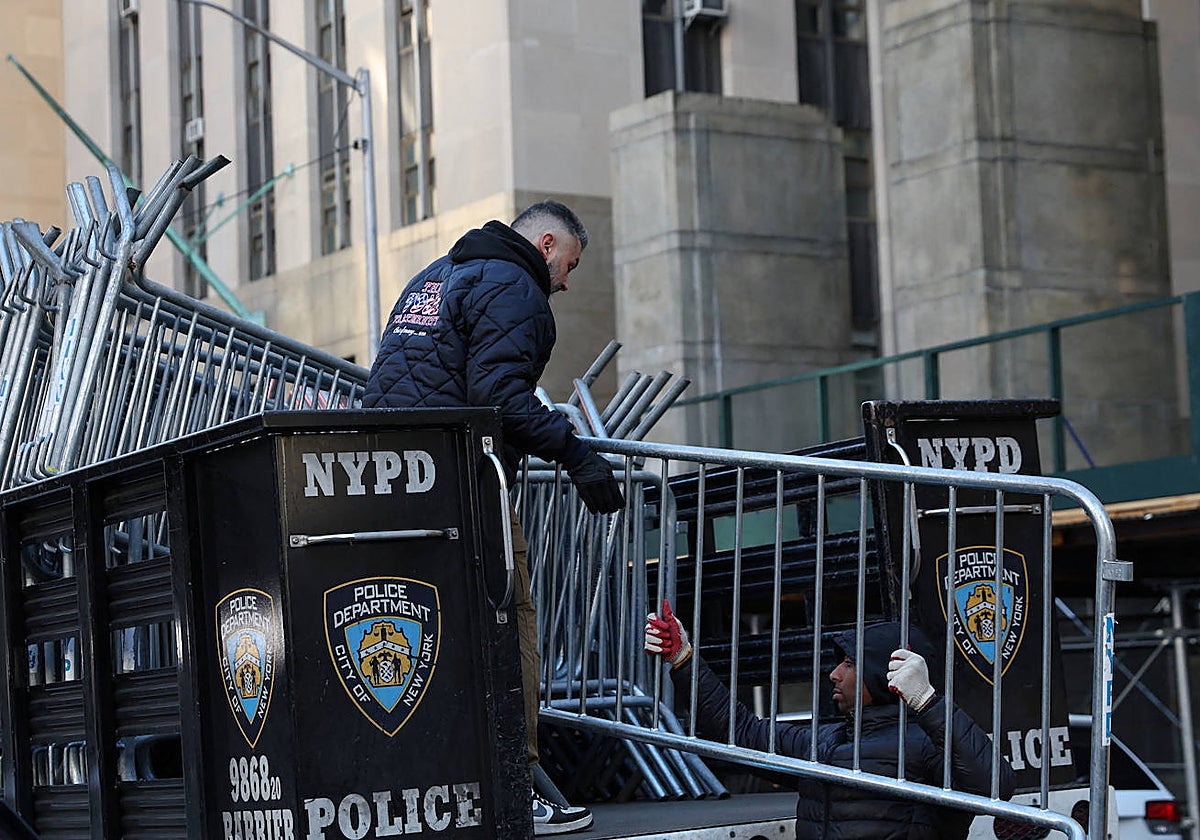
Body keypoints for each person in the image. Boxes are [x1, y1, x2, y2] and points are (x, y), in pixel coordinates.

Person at [364, 200, 623, 835]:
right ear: (545, 245)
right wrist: (577, 455)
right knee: (511, 619)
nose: (566, 282)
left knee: (430, 634)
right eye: (569, 265)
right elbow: (499, 397)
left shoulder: (434, 275)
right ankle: (514, 784)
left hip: (391, 481)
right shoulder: (515, 287)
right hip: (462, 480)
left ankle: (439, 785)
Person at [644, 602, 1015, 839]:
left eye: (849, 664)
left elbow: (996, 788)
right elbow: (740, 732)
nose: (834, 674)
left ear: (883, 674)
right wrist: (683, 659)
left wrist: (927, 701)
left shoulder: (927, 745)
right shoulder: (822, 742)